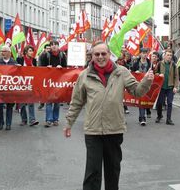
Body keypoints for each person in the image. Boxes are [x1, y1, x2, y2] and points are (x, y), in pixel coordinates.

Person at [64, 42, 154, 190]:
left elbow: (137, 91)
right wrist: (69, 123)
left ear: (109, 54)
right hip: (93, 131)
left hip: (114, 129)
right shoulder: (84, 75)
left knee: (112, 172)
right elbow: (77, 102)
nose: (100, 57)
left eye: (103, 54)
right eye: (96, 54)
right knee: (92, 173)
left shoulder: (122, 72)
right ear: (92, 56)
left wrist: (147, 80)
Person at [40, 40, 67, 127]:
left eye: (55, 45)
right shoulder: (45, 55)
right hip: (48, 82)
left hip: (58, 82)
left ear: (58, 46)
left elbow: (65, 68)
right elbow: (40, 67)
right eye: (52, 45)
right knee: (48, 101)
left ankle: (55, 119)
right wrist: (46, 67)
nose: (54, 46)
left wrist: (61, 67)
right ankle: (49, 120)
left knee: (57, 102)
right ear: (50, 46)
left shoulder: (62, 55)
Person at [0, 46, 17, 130]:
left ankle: (8, 124)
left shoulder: (14, 62)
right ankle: (1, 122)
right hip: (0, 87)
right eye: (1, 51)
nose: (2, 53)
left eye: (4, 51)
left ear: (9, 52)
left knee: (9, 106)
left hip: (10, 88)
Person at [16, 45, 39, 126]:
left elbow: (37, 71)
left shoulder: (34, 61)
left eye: (32, 51)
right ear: (25, 52)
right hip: (21, 84)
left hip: (31, 84)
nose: (31, 52)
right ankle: (24, 119)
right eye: (30, 51)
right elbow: (15, 70)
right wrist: (17, 67)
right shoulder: (20, 59)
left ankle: (32, 120)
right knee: (22, 103)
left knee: (31, 103)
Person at [155, 49, 179, 125]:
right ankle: (159, 116)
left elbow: (176, 76)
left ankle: (168, 119)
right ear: (164, 56)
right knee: (159, 103)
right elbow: (155, 73)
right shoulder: (159, 63)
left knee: (170, 103)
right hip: (161, 87)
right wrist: (158, 75)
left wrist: (175, 86)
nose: (169, 57)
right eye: (168, 55)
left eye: (170, 55)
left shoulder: (174, 65)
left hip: (170, 87)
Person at [132, 48, 151, 125]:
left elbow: (154, 72)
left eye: (146, 53)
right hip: (139, 84)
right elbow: (132, 72)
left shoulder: (150, 63)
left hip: (147, 84)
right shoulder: (136, 63)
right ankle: (142, 118)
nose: (145, 54)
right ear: (140, 54)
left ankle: (147, 111)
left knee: (146, 100)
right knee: (141, 100)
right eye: (143, 53)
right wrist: (135, 72)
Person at [37, 43, 51, 110]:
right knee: (43, 90)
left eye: (49, 48)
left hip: (50, 76)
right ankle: (42, 103)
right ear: (44, 49)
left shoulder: (51, 55)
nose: (48, 50)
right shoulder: (42, 56)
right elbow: (40, 66)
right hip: (44, 75)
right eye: (47, 48)